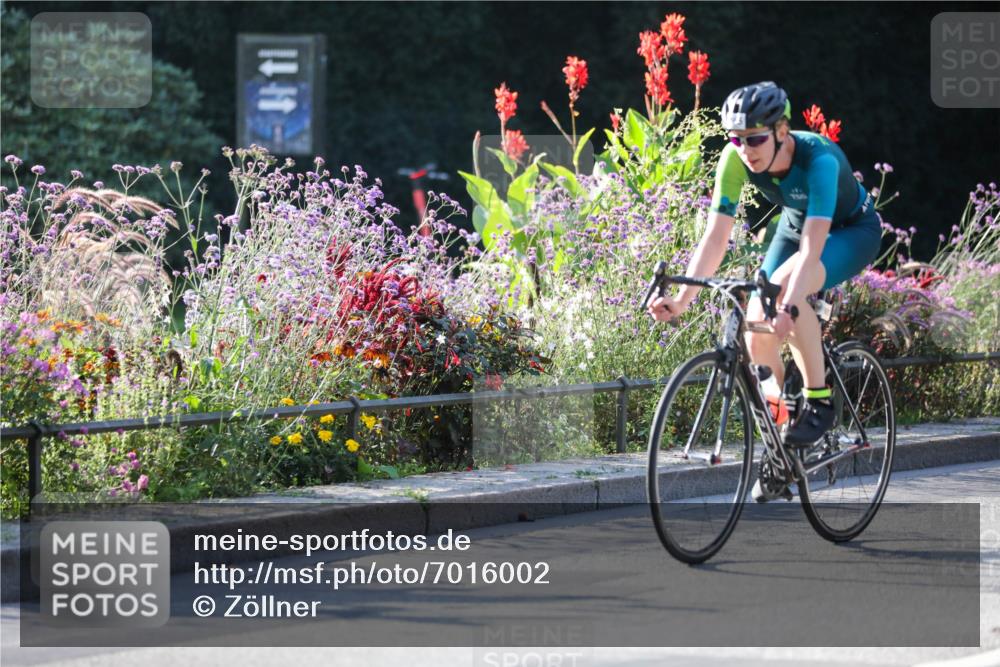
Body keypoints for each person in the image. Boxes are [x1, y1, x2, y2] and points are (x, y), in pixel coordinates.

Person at [647, 81, 881, 494]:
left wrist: (789, 305)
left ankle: (820, 400)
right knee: (756, 322)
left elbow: (813, 248)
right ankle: (783, 446)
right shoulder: (734, 160)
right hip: (794, 226)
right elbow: (716, 237)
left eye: (754, 138)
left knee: (786, 288)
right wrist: (683, 300)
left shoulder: (818, 160)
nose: (745, 149)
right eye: (736, 139)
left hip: (848, 231)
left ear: (782, 131)